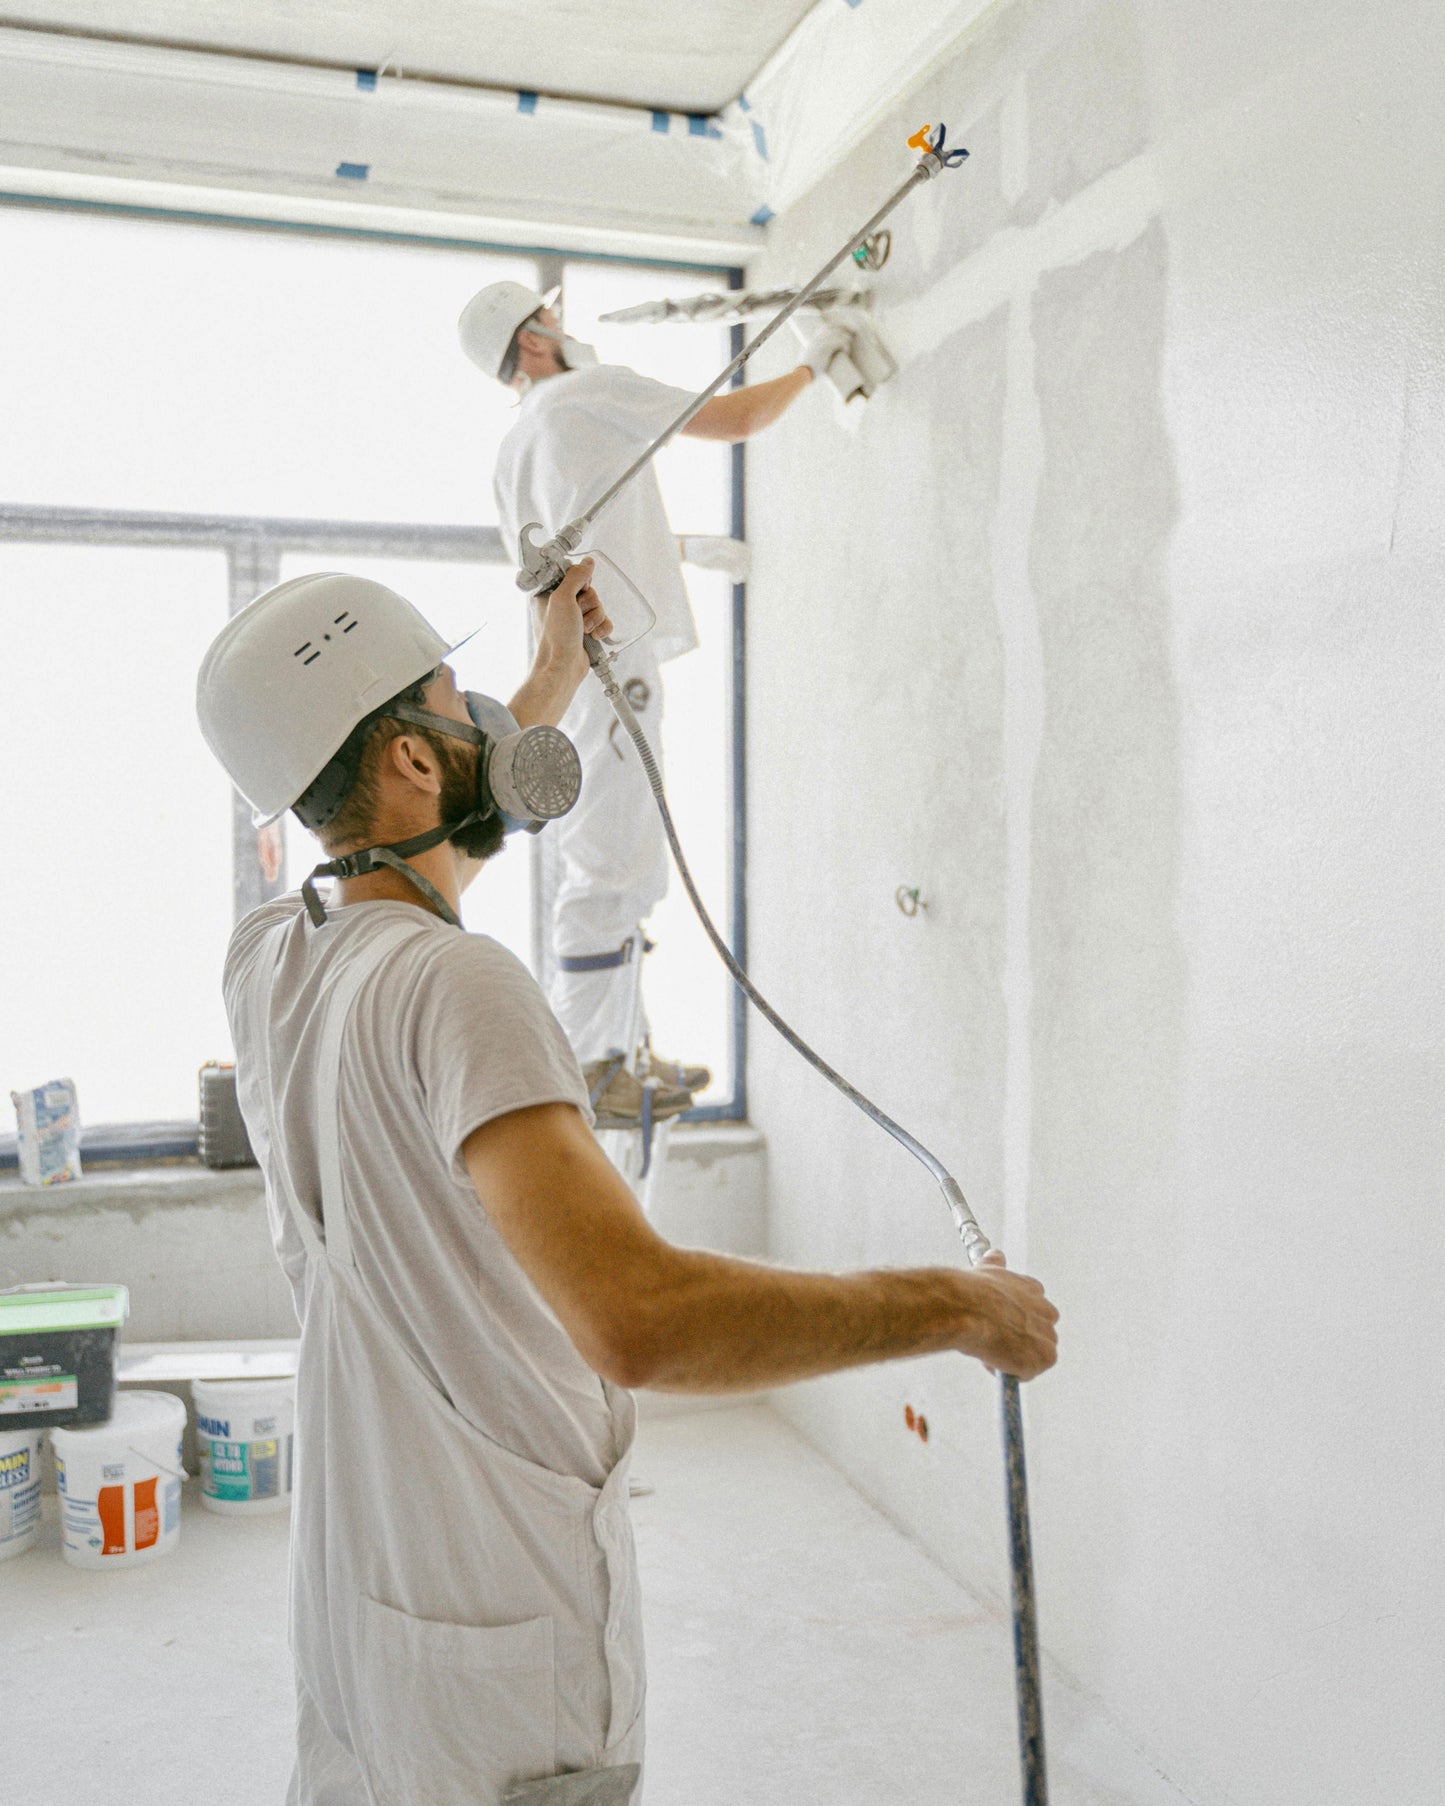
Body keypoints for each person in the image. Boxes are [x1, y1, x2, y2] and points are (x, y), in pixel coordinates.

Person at [196, 564, 1060, 1806]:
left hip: (364, 1606)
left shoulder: (273, 961)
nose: (488, 713)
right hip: (502, 1646)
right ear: (412, 761)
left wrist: (550, 667)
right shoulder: (464, 987)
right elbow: (639, 1322)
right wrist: (955, 1306)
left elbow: (411, 878)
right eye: (456, 697)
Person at [458, 281, 852, 1133]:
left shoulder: (514, 446)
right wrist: (816, 365)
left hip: (579, 661)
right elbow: (735, 418)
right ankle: (593, 1062)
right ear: (528, 344)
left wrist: (685, 552)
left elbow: (572, 541)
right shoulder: (583, 392)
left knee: (611, 853)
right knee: (615, 857)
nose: (563, 329)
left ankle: (620, 1053)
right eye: (549, 319)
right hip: (615, 655)